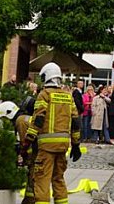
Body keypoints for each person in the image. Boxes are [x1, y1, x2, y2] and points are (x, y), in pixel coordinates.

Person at [21, 62, 81, 204]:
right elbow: (76, 122)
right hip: (63, 146)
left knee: (42, 180)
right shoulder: (68, 96)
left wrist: (27, 141)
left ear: (47, 77)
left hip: (46, 147)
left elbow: (38, 120)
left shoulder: (44, 95)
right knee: (58, 179)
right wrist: (76, 144)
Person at [0, 101, 37, 204]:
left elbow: (25, 143)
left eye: (5, 119)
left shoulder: (20, 121)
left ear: (9, 114)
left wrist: (25, 158)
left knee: (33, 179)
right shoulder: (25, 118)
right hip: (43, 151)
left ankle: (30, 201)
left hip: (38, 155)